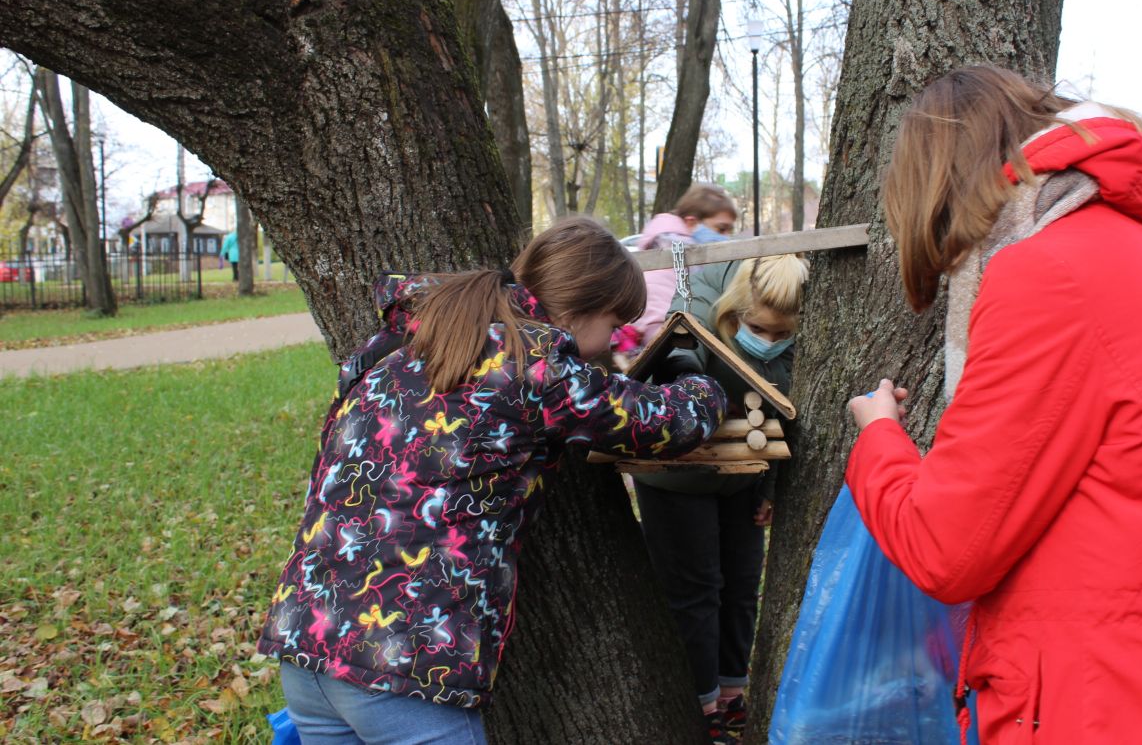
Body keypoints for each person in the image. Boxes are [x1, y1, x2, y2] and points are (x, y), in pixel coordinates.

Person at [845, 65, 1142, 744]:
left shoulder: (1044, 277)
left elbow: (945, 546)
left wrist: (880, 440)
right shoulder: (1126, 247)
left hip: (1105, 697)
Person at [257, 217, 728, 744]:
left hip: (306, 644)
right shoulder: (535, 366)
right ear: (582, 311)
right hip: (402, 664)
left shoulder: (399, 343)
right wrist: (697, 375)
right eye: (615, 324)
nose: (610, 343)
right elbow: (670, 422)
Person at [632, 254, 808, 744]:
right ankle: (702, 698)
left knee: (741, 582)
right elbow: (676, 353)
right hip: (675, 476)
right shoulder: (704, 288)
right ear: (736, 307)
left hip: (743, 474)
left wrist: (768, 485)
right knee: (696, 589)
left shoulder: (805, 308)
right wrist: (688, 379)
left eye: (781, 335)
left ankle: (733, 691)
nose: (768, 344)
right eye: (757, 329)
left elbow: (785, 418)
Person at [632, 184, 739, 345]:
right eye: (721, 229)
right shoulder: (667, 257)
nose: (726, 238)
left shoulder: (692, 260)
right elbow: (656, 324)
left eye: (729, 231)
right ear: (691, 223)